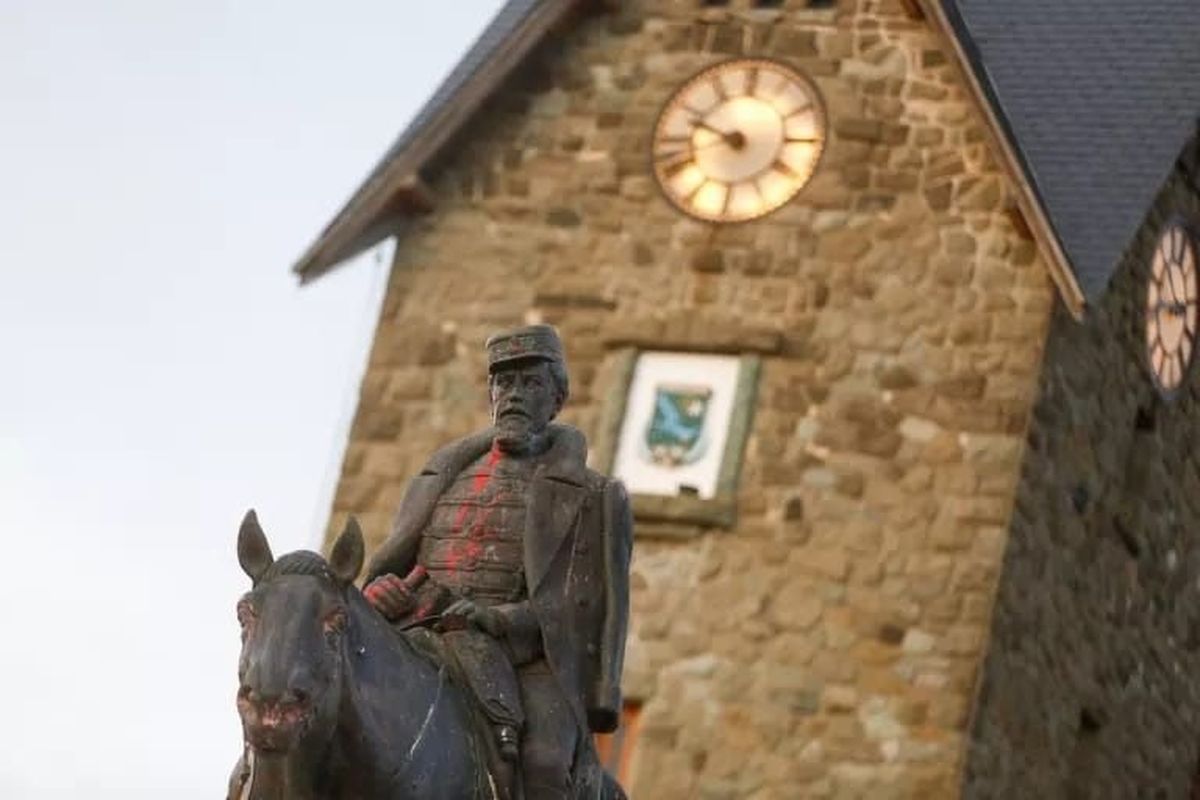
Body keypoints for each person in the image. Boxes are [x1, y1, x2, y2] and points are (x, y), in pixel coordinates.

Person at [362, 324, 632, 800]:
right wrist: (378, 591)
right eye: (504, 383)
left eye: (531, 384)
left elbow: (585, 606)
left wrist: (499, 618)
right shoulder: (440, 475)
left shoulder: (596, 497)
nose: (514, 395)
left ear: (556, 399)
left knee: (545, 762)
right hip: (418, 632)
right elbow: (394, 561)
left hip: (529, 658)